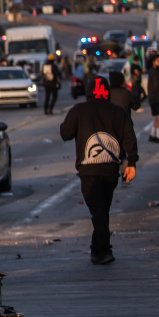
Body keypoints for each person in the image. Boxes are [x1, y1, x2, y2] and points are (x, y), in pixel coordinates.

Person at [59, 76, 138, 265]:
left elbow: (65, 133)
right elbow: (130, 138)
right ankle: (100, 248)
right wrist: (132, 163)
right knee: (102, 210)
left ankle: (100, 252)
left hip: (88, 171)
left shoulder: (78, 110)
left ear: (88, 92)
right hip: (110, 170)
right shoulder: (118, 112)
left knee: (99, 211)